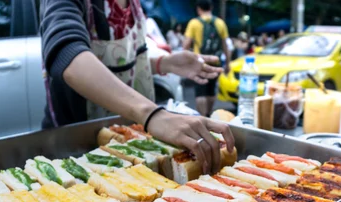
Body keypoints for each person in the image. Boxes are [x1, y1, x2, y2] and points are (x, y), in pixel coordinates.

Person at [40, 0, 233, 174]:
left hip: (130, 139)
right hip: (76, 148)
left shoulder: (133, 4)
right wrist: (152, 115)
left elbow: (116, 61)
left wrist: (164, 63)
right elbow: (65, 54)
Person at [184, 0, 230, 117]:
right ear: (211, 7)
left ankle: (202, 116)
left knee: (201, 92)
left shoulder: (194, 23)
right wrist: (228, 63)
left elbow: (186, 45)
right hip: (216, 62)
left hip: (201, 63)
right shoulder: (220, 23)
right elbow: (225, 45)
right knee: (211, 90)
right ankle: (208, 114)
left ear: (198, 8)